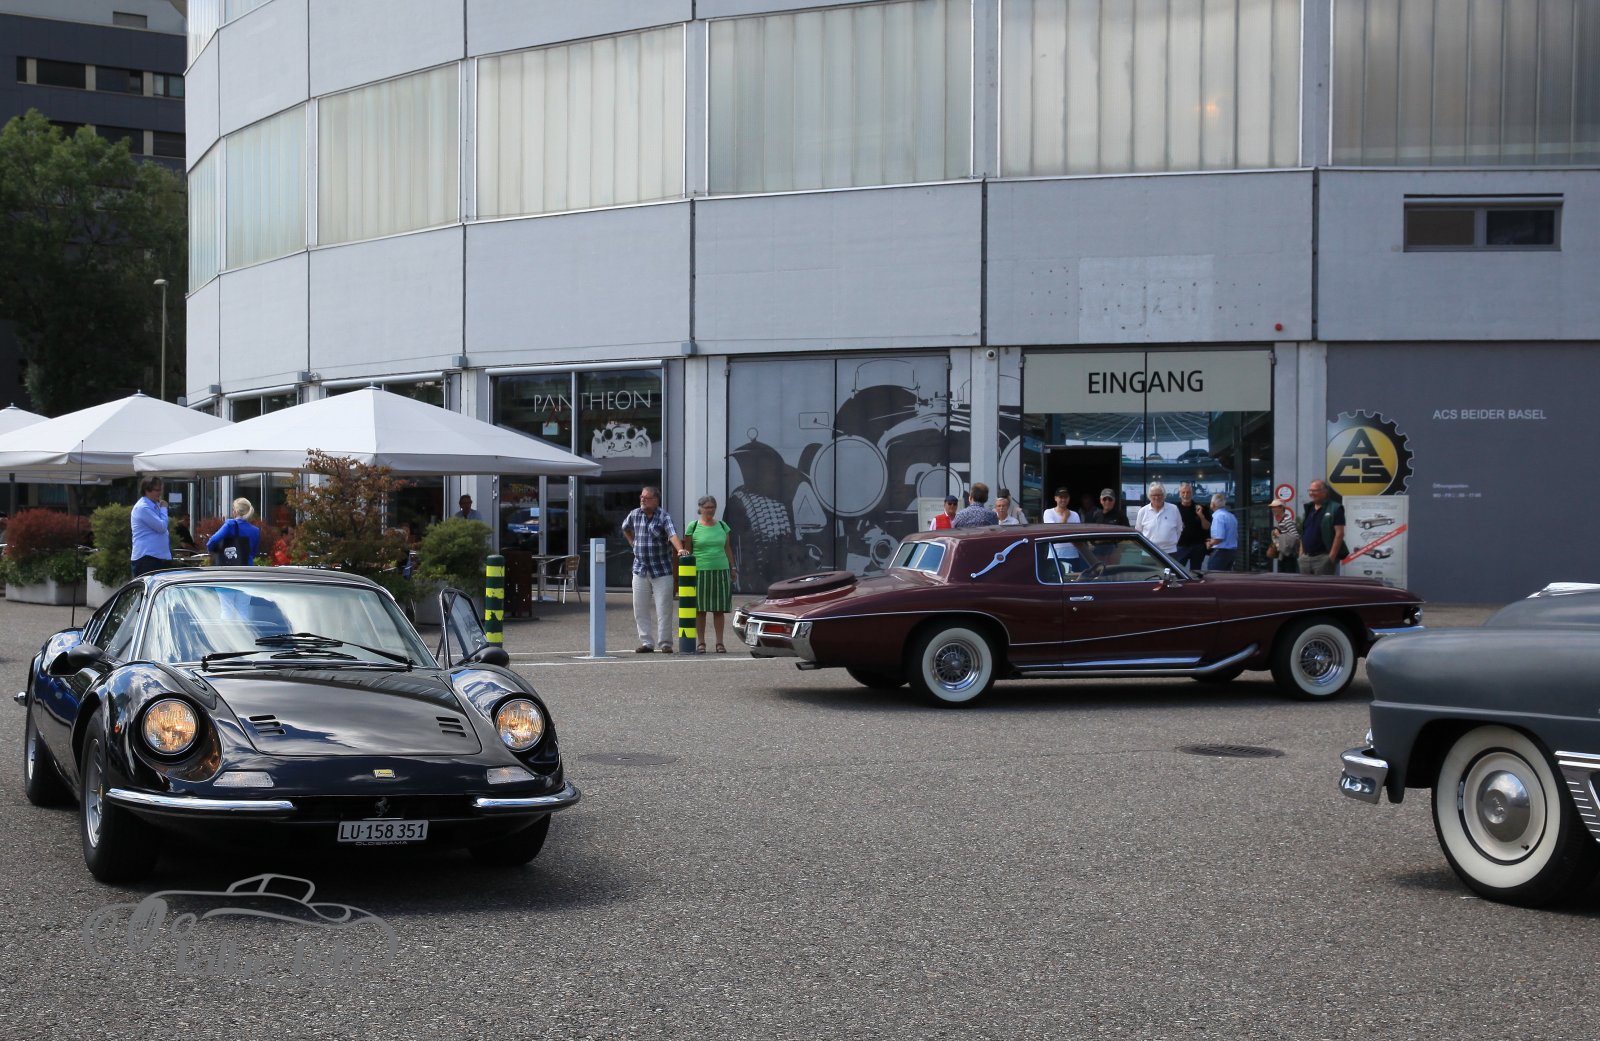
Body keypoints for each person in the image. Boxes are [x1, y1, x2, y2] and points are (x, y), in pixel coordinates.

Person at [621, 486, 685, 653]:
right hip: (640, 569)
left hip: (661, 570)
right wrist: (632, 542)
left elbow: (672, 535)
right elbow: (625, 527)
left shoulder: (664, 516)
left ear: (656, 500)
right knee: (640, 608)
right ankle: (647, 643)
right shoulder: (635, 514)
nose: (642, 500)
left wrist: (680, 549)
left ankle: (665, 643)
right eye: (641, 497)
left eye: (647, 498)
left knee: (664, 608)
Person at [682, 496, 736, 653]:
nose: (710, 510)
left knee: (719, 609)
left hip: (721, 571)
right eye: (707, 507)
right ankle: (701, 643)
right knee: (700, 610)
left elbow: (727, 548)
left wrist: (733, 568)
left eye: (712, 507)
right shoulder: (693, 527)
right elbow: (688, 551)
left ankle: (720, 643)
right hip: (700, 572)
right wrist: (685, 574)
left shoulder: (723, 526)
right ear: (700, 508)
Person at [1299, 479, 1346, 575]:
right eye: (1310, 490)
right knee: (1305, 585)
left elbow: (1339, 534)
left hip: (1323, 559)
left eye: (1314, 490)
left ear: (1324, 492)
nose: (1311, 493)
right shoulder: (1309, 508)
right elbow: (1304, 532)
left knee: (1322, 585)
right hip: (1305, 559)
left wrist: (1331, 557)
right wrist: (1301, 554)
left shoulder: (1335, 508)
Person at [130, 477, 172, 577]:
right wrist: (164, 509)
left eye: (160, 490)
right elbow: (162, 527)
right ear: (147, 490)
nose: (159, 493)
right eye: (156, 490)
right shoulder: (143, 507)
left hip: (156, 556)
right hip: (147, 558)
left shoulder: (154, 505)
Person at [206, 497, 262, 566]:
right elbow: (253, 552)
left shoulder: (230, 525)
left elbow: (212, 541)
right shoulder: (256, 530)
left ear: (235, 511)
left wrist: (213, 550)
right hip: (248, 568)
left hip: (231, 568)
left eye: (233, 509)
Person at [1133, 481, 1182, 555]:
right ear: (1149, 496)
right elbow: (1138, 531)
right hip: (1148, 552)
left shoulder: (1173, 509)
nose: (1156, 497)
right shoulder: (1142, 511)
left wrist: (1171, 543)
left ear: (1164, 495)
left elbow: (1179, 529)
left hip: (1170, 552)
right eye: (1154, 495)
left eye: (1159, 495)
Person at [1173, 482, 1210, 572]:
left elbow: (1206, 527)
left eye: (1188, 492)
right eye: (1183, 492)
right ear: (1179, 494)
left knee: (1196, 573)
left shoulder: (1201, 508)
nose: (1186, 495)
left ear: (1192, 494)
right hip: (1180, 546)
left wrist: (1201, 516)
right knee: (1178, 572)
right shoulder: (1174, 509)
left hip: (1197, 546)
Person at [1203, 492, 1238, 572]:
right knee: (1225, 577)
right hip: (1232, 552)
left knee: (1214, 576)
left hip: (1220, 553)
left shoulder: (1218, 517)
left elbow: (1218, 538)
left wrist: (1209, 543)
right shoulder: (1231, 516)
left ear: (1213, 504)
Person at [1267, 497, 1300, 573]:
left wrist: (1279, 535)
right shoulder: (1281, 520)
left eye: (1275, 507)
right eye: (1272, 507)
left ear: (1281, 508)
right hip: (1283, 555)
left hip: (1288, 556)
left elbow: (1296, 536)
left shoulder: (1287, 520)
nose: (1272, 509)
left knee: (1287, 576)